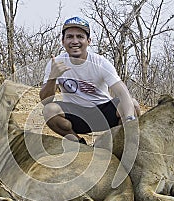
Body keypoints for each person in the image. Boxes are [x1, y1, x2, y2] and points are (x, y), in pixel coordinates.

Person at [40, 16, 140, 144]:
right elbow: (45, 101)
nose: (75, 41)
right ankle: (78, 143)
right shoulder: (56, 63)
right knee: (49, 110)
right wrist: (52, 78)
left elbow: (122, 92)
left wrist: (130, 119)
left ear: (88, 41)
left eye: (80, 37)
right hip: (77, 114)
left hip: (103, 112)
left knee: (133, 105)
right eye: (70, 37)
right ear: (63, 41)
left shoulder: (101, 63)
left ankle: (117, 143)